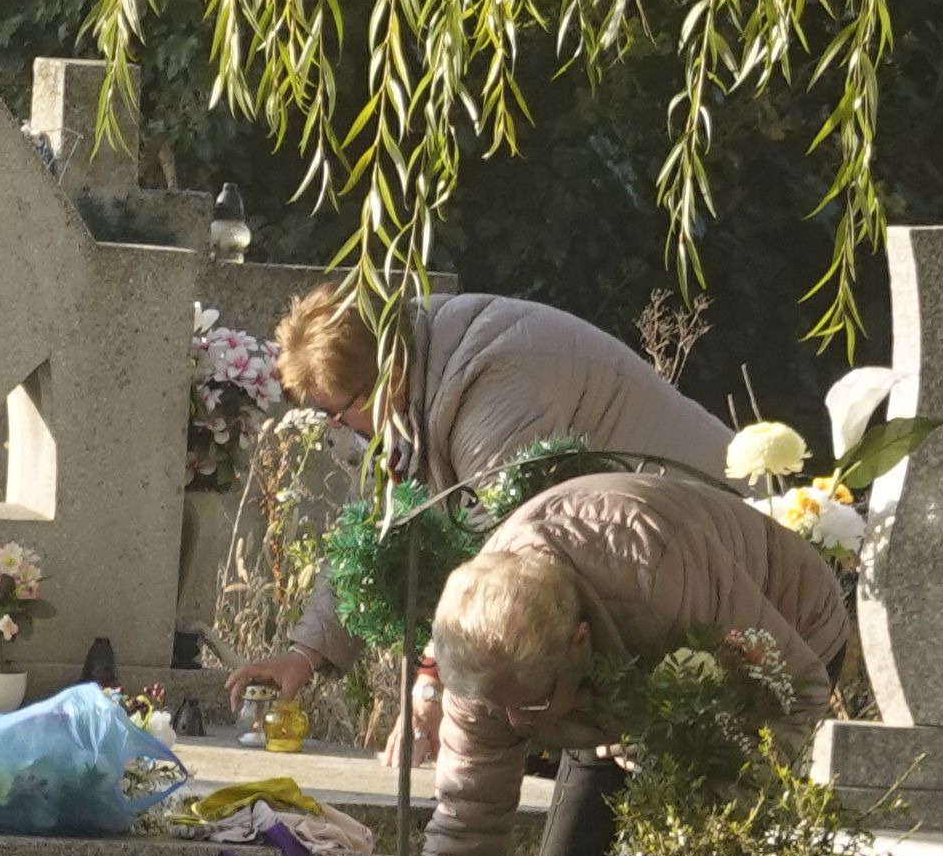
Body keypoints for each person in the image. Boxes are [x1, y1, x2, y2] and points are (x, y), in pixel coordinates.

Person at [366, 462, 853, 856]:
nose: (515, 725)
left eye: (529, 711)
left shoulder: (659, 576)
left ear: (578, 644)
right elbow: (467, 821)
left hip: (766, 653)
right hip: (605, 681)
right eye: (500, 712)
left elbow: (796, 692)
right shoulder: (488, 657)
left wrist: (698, 820)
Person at [217, 283, 726, 708]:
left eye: (340, 411)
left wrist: (436, 680)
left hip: (710, 535)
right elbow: (375, 529)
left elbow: (502, 550)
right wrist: (304, 654)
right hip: (639, 552)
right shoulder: (419, 375)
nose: (337, 426)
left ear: (385, 380)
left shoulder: (493, 381)